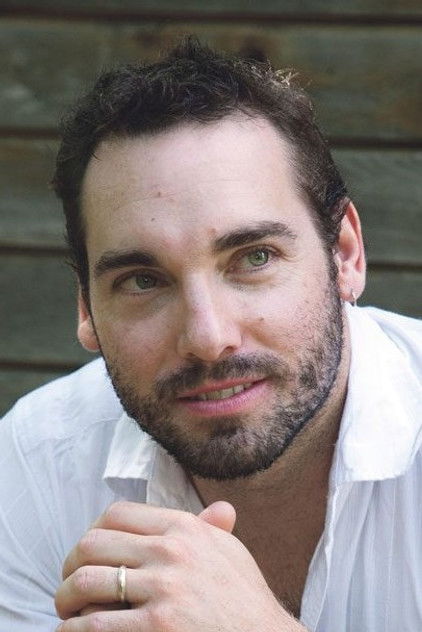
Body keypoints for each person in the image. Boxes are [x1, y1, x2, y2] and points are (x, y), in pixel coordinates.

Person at [0, 38, 421, 632]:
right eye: (143, 280)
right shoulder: (37, 461)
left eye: (254, 258)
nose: (206, 337)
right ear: (86, 307)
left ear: (344, 254)